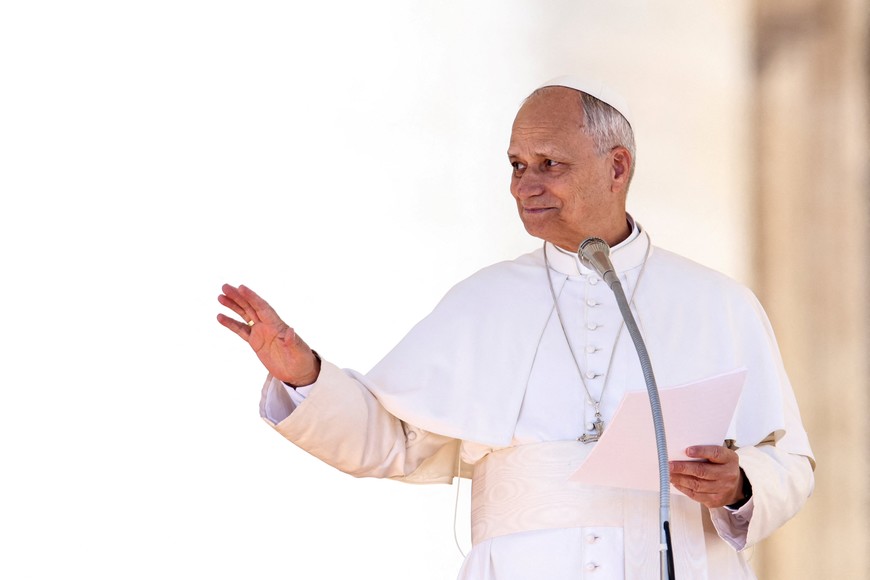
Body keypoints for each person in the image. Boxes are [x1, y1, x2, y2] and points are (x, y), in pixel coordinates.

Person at [217, 76, 814, 579]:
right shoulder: (485, 300)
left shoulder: (717, 303)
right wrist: (305, 375)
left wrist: (737, 486)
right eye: (516, 165)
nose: (525, 185)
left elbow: (787, 463)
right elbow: (390, 440)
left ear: (617, 167)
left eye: (549, 164)